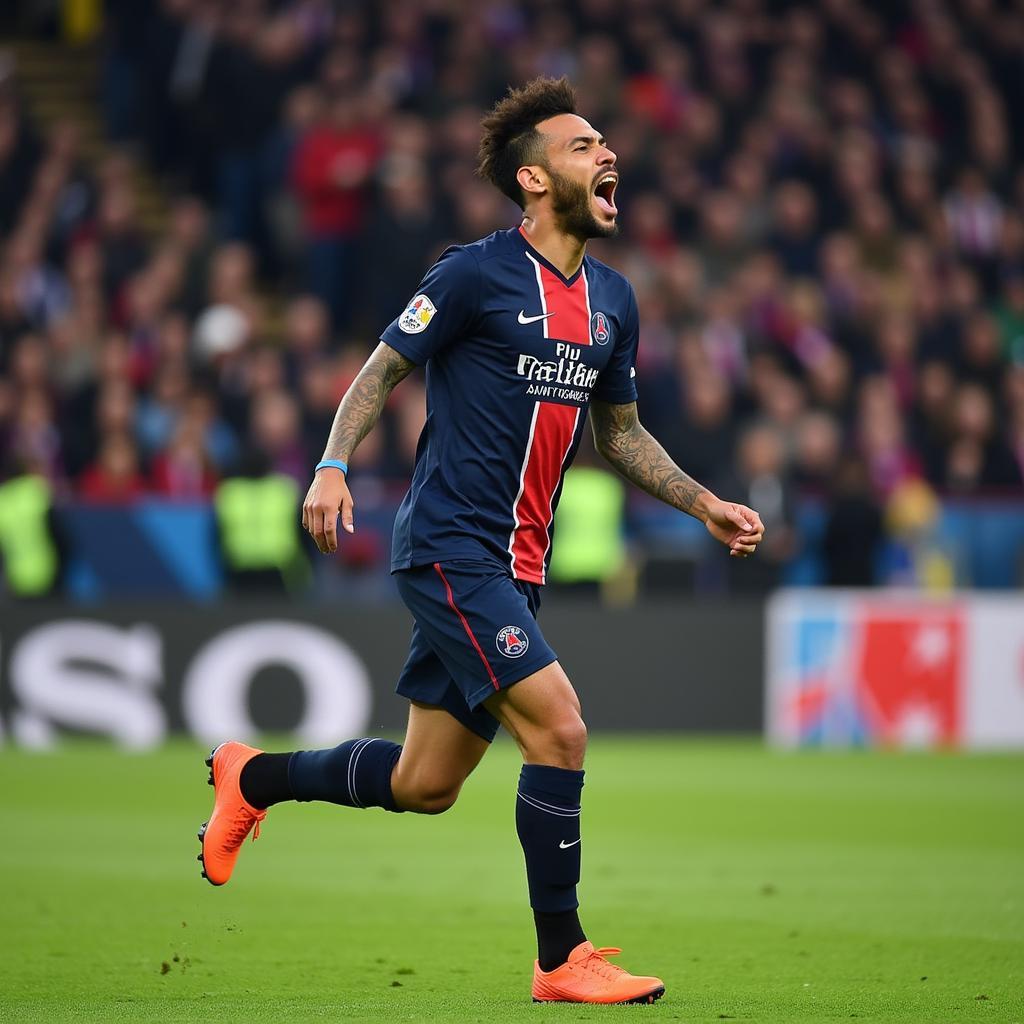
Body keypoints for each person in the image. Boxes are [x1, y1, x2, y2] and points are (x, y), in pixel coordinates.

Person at [197, 77, 764, 1006]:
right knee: (563, 731)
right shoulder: (473, 272)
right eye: (585, 146)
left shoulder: (615, 300)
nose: (608, 154)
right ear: (535, 179)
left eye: (605, 143)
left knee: (425, 784)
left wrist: (702, 502)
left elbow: (617, 434)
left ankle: (249, 777)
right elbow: (381, 371)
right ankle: (562, 957)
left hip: (519, 565)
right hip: (455, 547)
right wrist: (333, 465)